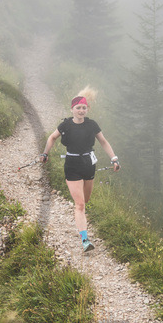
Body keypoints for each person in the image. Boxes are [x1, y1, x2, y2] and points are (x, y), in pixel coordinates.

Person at [40, 87, 120, 251]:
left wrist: (114, 158)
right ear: (72, 109)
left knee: (86, 200)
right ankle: (85, 240)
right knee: (80, 204)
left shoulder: (92, 125)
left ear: (87, 109)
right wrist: (45, 153)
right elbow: (52, 137)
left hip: (89, 164)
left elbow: (103, 141)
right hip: (72, 165)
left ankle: (79, 218)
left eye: (84, 107)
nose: (81, 110)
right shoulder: (66, 124)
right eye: (78, 108)